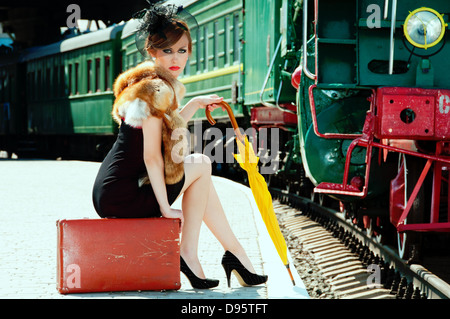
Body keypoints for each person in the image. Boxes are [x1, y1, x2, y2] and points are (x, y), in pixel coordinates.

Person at [92, 3, 267, 289]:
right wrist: (165, 207)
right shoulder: (153, 90)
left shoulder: (156, 85)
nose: (176, 58)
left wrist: (194, 105)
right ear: (152, 52)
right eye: (167, 51)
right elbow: (152, 156)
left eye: (182, 50)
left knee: (201, 179)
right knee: (201, 163)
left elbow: (166, 131)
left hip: (119, 187)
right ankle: (189, 255)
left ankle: (236, 256)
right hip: (121, 193)